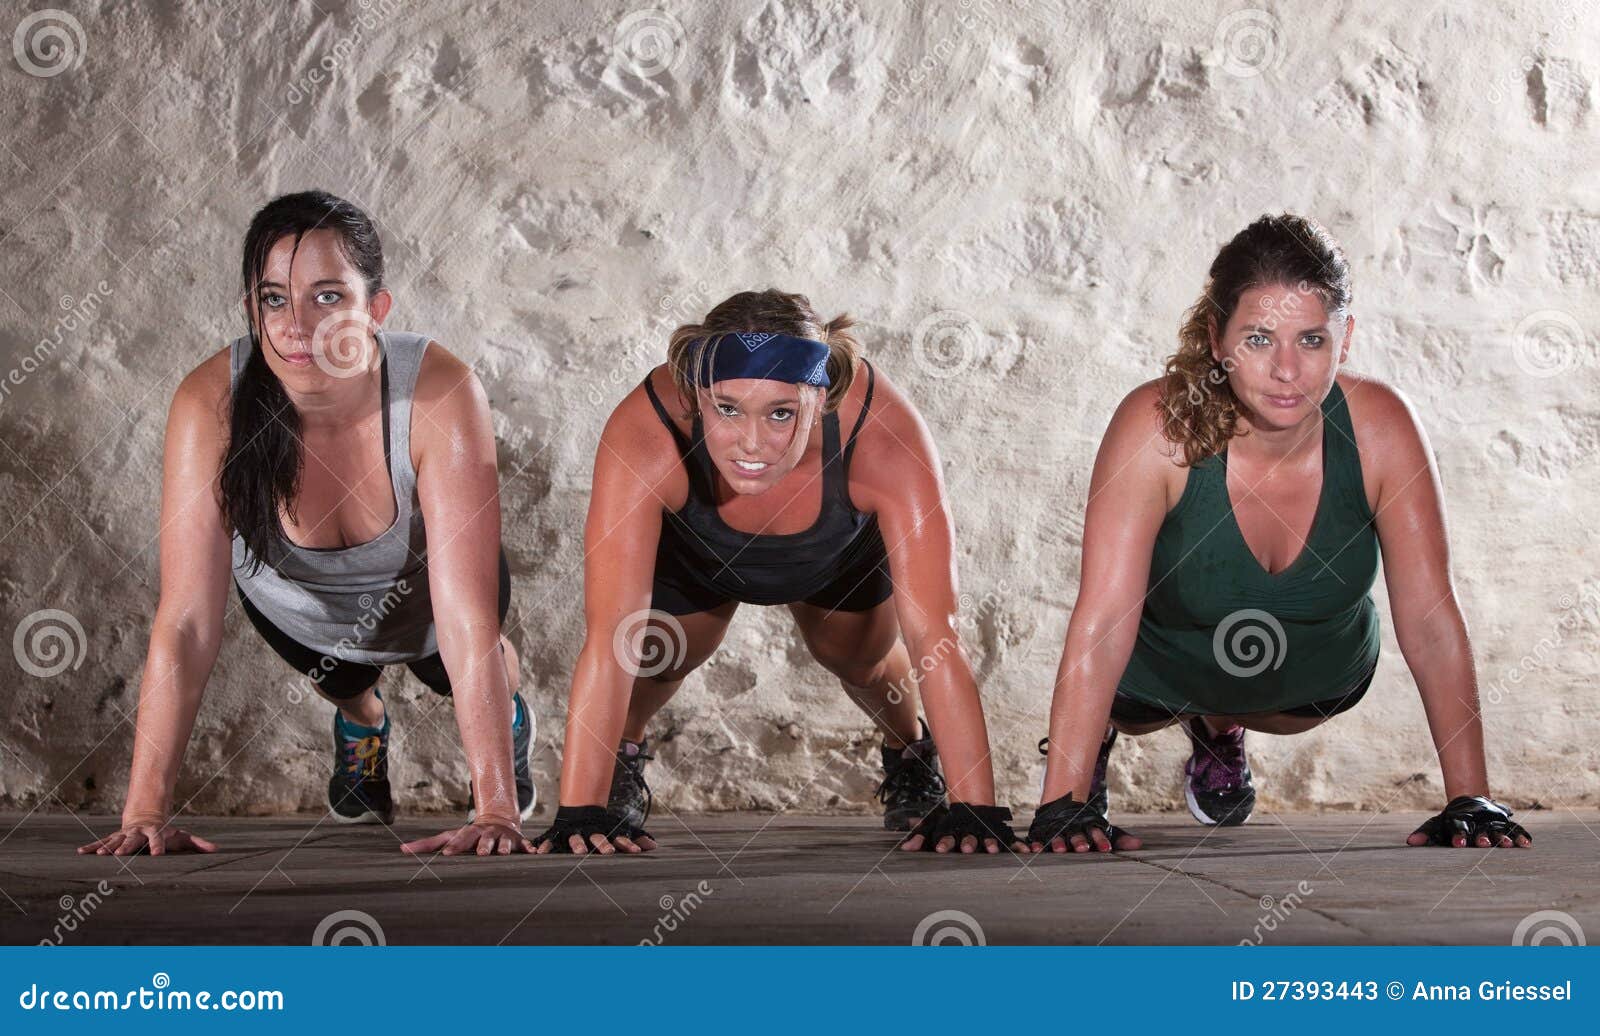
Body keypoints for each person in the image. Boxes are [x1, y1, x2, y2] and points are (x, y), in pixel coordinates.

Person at [1031, 214, 1533, 854]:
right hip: (1151, 685)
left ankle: (1221, 727)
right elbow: (1102, 618)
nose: (1287, 370)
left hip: (1313, 685)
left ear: (1344, 339)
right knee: (1124, 696)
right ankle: (1102, 739)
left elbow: (1430, 617)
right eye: (1260, 339)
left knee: (1262, 681)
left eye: (1312, 340)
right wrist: (1062, 803)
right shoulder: (1155, 426)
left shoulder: (1382, 427)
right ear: (1216, 340)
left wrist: (1472, 798)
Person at [78, 190, 535, 859]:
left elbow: (465, 613)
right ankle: (363, 728)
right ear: (250, 311)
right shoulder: (210, 401)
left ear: (375, 310)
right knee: (347, 684)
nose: (297, 325)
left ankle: (512, 722)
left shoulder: (440, 388)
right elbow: (186, 622)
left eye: (327, 297)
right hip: (301, 605)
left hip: (429, 591)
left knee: (471, 661)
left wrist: (495, 808)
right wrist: (144, 811)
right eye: (274, 298)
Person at [534, 289, 1024, 855]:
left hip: (835, 554)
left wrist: (975, 810)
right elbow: (608, 635)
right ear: (697, 393)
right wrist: (579, 811)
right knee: (658, 654)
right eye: (728, 409)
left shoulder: (884, 437)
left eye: (781, 413)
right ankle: (620, 757)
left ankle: (910, 753)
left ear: (823, 397)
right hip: (699, 552)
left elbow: (935, 635)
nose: (751, 443)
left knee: (861, 659)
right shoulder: (645, 431)